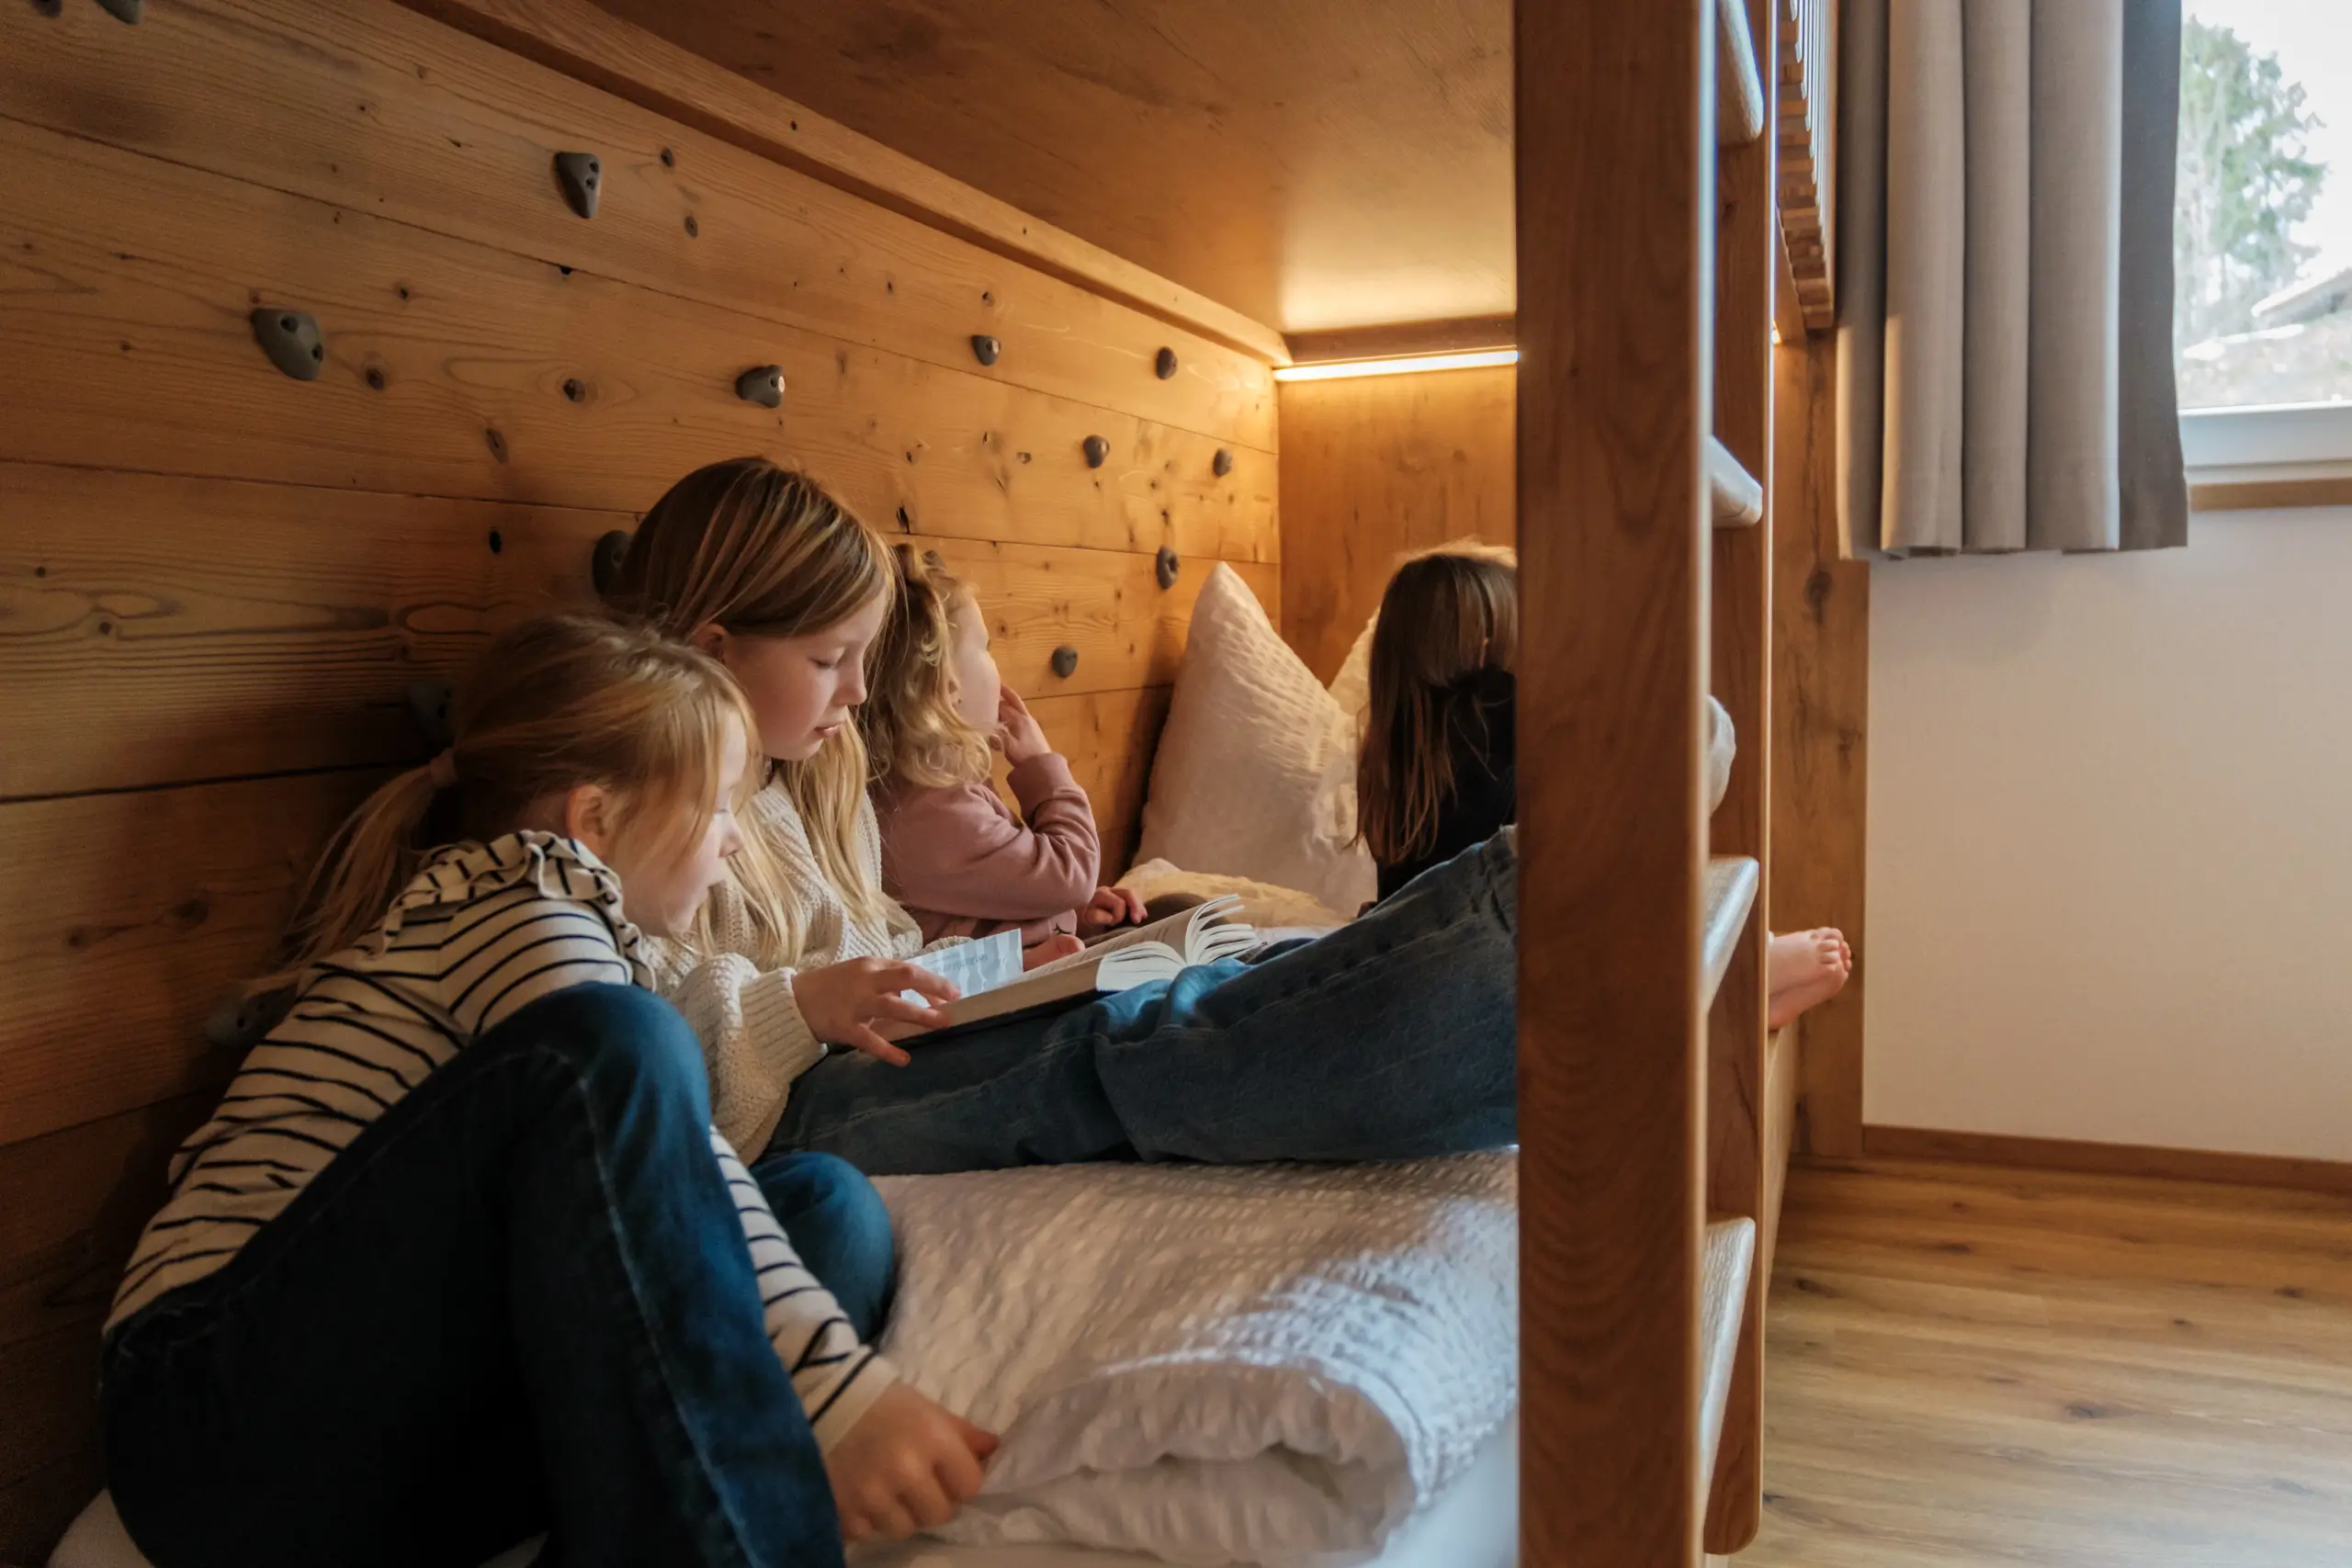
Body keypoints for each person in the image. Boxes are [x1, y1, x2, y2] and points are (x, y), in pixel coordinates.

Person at [100, 614, 991, 1567]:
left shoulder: (574, 938)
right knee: (617, 1043)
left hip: (403, 1432)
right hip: (212, 1413)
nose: (732, 844)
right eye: (719, 809)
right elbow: (667, 1136)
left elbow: (662, 1200)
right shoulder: (511, 897)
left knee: (824, 1207)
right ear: (595, 821)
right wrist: (833, 1386)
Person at [607, 457, 1520, 1179]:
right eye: (827, 658)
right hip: (795, 1112)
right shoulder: (644, 815)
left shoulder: (807, 771)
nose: (856, 689)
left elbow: (875, 948)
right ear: (713, 651)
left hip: (881, 1045)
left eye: (861, 657)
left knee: (1185, 973)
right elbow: (635, 1052)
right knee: (1115, 1051)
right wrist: (804, 1006)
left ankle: (1482, 953)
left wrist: (997, 965)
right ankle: (1489, 950)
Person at [1352, 546, 1850, 1028]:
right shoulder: (1493, 703)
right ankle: (1734, 970)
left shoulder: (1393, 753)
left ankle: (1727, 992)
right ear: (1487, 647)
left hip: (1432, 977)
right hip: (1517, 968)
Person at [865, 546, 1146, 950]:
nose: (996, 668)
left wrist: (1075, 916)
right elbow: (1072, 872)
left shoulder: (935, 789)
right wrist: (1040, 767)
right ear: (946, 688)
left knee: (1177, 910)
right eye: (986, 648)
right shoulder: (932, 809)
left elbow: (993, 906)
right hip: (1000, 999)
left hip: (1024, 970)